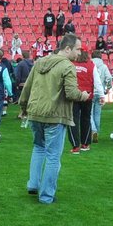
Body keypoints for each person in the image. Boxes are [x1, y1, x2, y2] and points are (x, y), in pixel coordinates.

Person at [18, 33, 91, 204]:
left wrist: (23, 107)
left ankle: (33, 184)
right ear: (67, 48)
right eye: (78, 49)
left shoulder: (40, 62)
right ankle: (46, 195)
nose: (79, 53)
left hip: (35, 113)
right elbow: (71, 93)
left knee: (38, 148)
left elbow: (27, 88)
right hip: (55, 115)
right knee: (52, 156)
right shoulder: (68, 66)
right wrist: (84, 95)